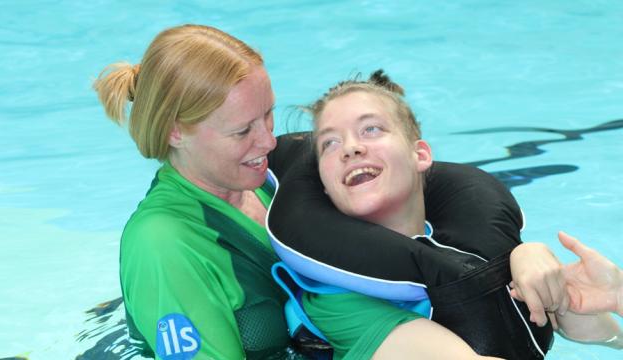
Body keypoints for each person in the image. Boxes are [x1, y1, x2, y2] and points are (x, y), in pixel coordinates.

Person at [94, 24, 544, 359]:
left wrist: (520, 253)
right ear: (175, 132)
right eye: (242, 131)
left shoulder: (274, 184)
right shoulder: (165, 246)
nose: (269, 143)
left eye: (268, 116)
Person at [269, 70, 622, 358]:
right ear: (324, 185)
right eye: (330, 143)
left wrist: (591, 297)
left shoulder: (478, 250)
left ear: (420, 155)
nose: (350, 148)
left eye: (371, 129)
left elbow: (607, 339)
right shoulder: (338, 301)